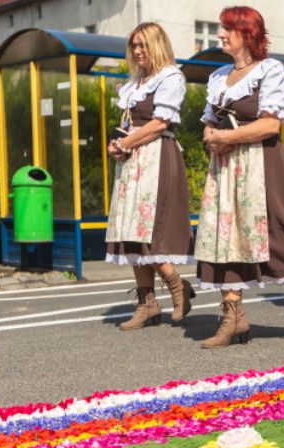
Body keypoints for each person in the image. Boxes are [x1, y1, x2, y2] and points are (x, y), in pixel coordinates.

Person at [196, 6, 284, 347]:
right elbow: (210, 121)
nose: (220, 35)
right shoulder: (219, 76)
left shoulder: (268, 70)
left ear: (248, 34)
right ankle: (233, 317)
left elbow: (271, 123)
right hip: (224, 166)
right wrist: (212, 137)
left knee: (270, 234)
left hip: (259, 162)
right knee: (223, 236)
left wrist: (226, 138)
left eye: (227, 30)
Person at [106, 23, 196, 331]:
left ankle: (176, 285)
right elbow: (130, 125)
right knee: (130, 230)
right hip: (132, 162)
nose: (137, 51)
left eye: (143, 45)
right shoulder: (134, 83)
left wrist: (125, 143)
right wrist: (118, 145)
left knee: (149, 231)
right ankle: (147, 304)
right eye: (133, 46)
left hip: (156, 157)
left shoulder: (170, 77)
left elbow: (160, 123)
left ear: (157, 45)